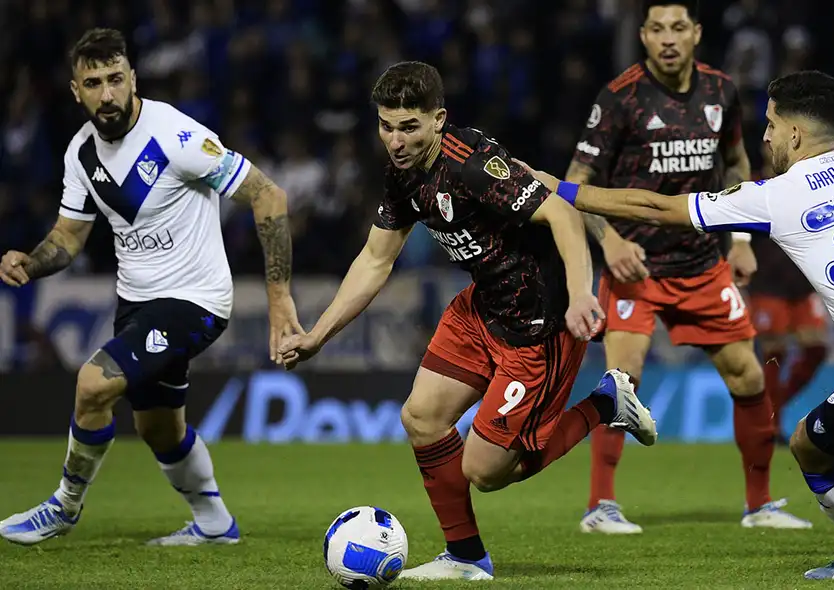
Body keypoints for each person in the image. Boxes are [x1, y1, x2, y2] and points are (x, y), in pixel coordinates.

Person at [520, 69, 834, 580]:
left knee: (808, 446)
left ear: (795, 133)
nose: (765, 137)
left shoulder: (777, 195)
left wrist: (560, 188)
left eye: (771, 125)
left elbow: (656, 207)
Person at [276, 61, 657, 582]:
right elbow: (375, 260)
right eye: (386, 126)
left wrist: (579, 295)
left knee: (485, 471)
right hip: (481, 307)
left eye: (409, 127)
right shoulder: (402, 173)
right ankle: (465, 557)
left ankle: (605, 403)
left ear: (438, 120)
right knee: (421, 418)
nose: (395, 141)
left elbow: (563, 214)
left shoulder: (473, 165)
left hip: (537, 326)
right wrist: (317, 336)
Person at [0, 28, 301, 547]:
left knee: (93, 384)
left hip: (195, 300)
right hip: (136, 304)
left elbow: (268, 195)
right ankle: (215, 525)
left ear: (133, 78)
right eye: (93, 83)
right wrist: (31, 261)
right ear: (76, 91)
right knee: (159, 429)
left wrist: (279, 298)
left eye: (116, 79)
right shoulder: (81, 153)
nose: (107, 93)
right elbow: (68, 237)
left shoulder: (176, 136)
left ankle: (64, 506)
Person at [566, 0, 809, 531]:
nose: (668, 38)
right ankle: (600, 507)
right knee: (622, 382)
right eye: (657, 29)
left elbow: (738, 164)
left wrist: (740, 239)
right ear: (644, 36)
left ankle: (760, 505)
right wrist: (610, 241)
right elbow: (575, 184)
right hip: (636, 265)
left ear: (696, 32)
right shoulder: (620, 97)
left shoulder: (721, 91)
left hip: (702, 264)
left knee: (749, 376)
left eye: (678, 27)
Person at [748, 147, 829, 443]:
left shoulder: (808, 183)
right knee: (774, 353)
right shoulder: (752, 186)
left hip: (803, 280)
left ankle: (773, 409)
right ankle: (770, 428)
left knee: (816, 349)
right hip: (768, 281)